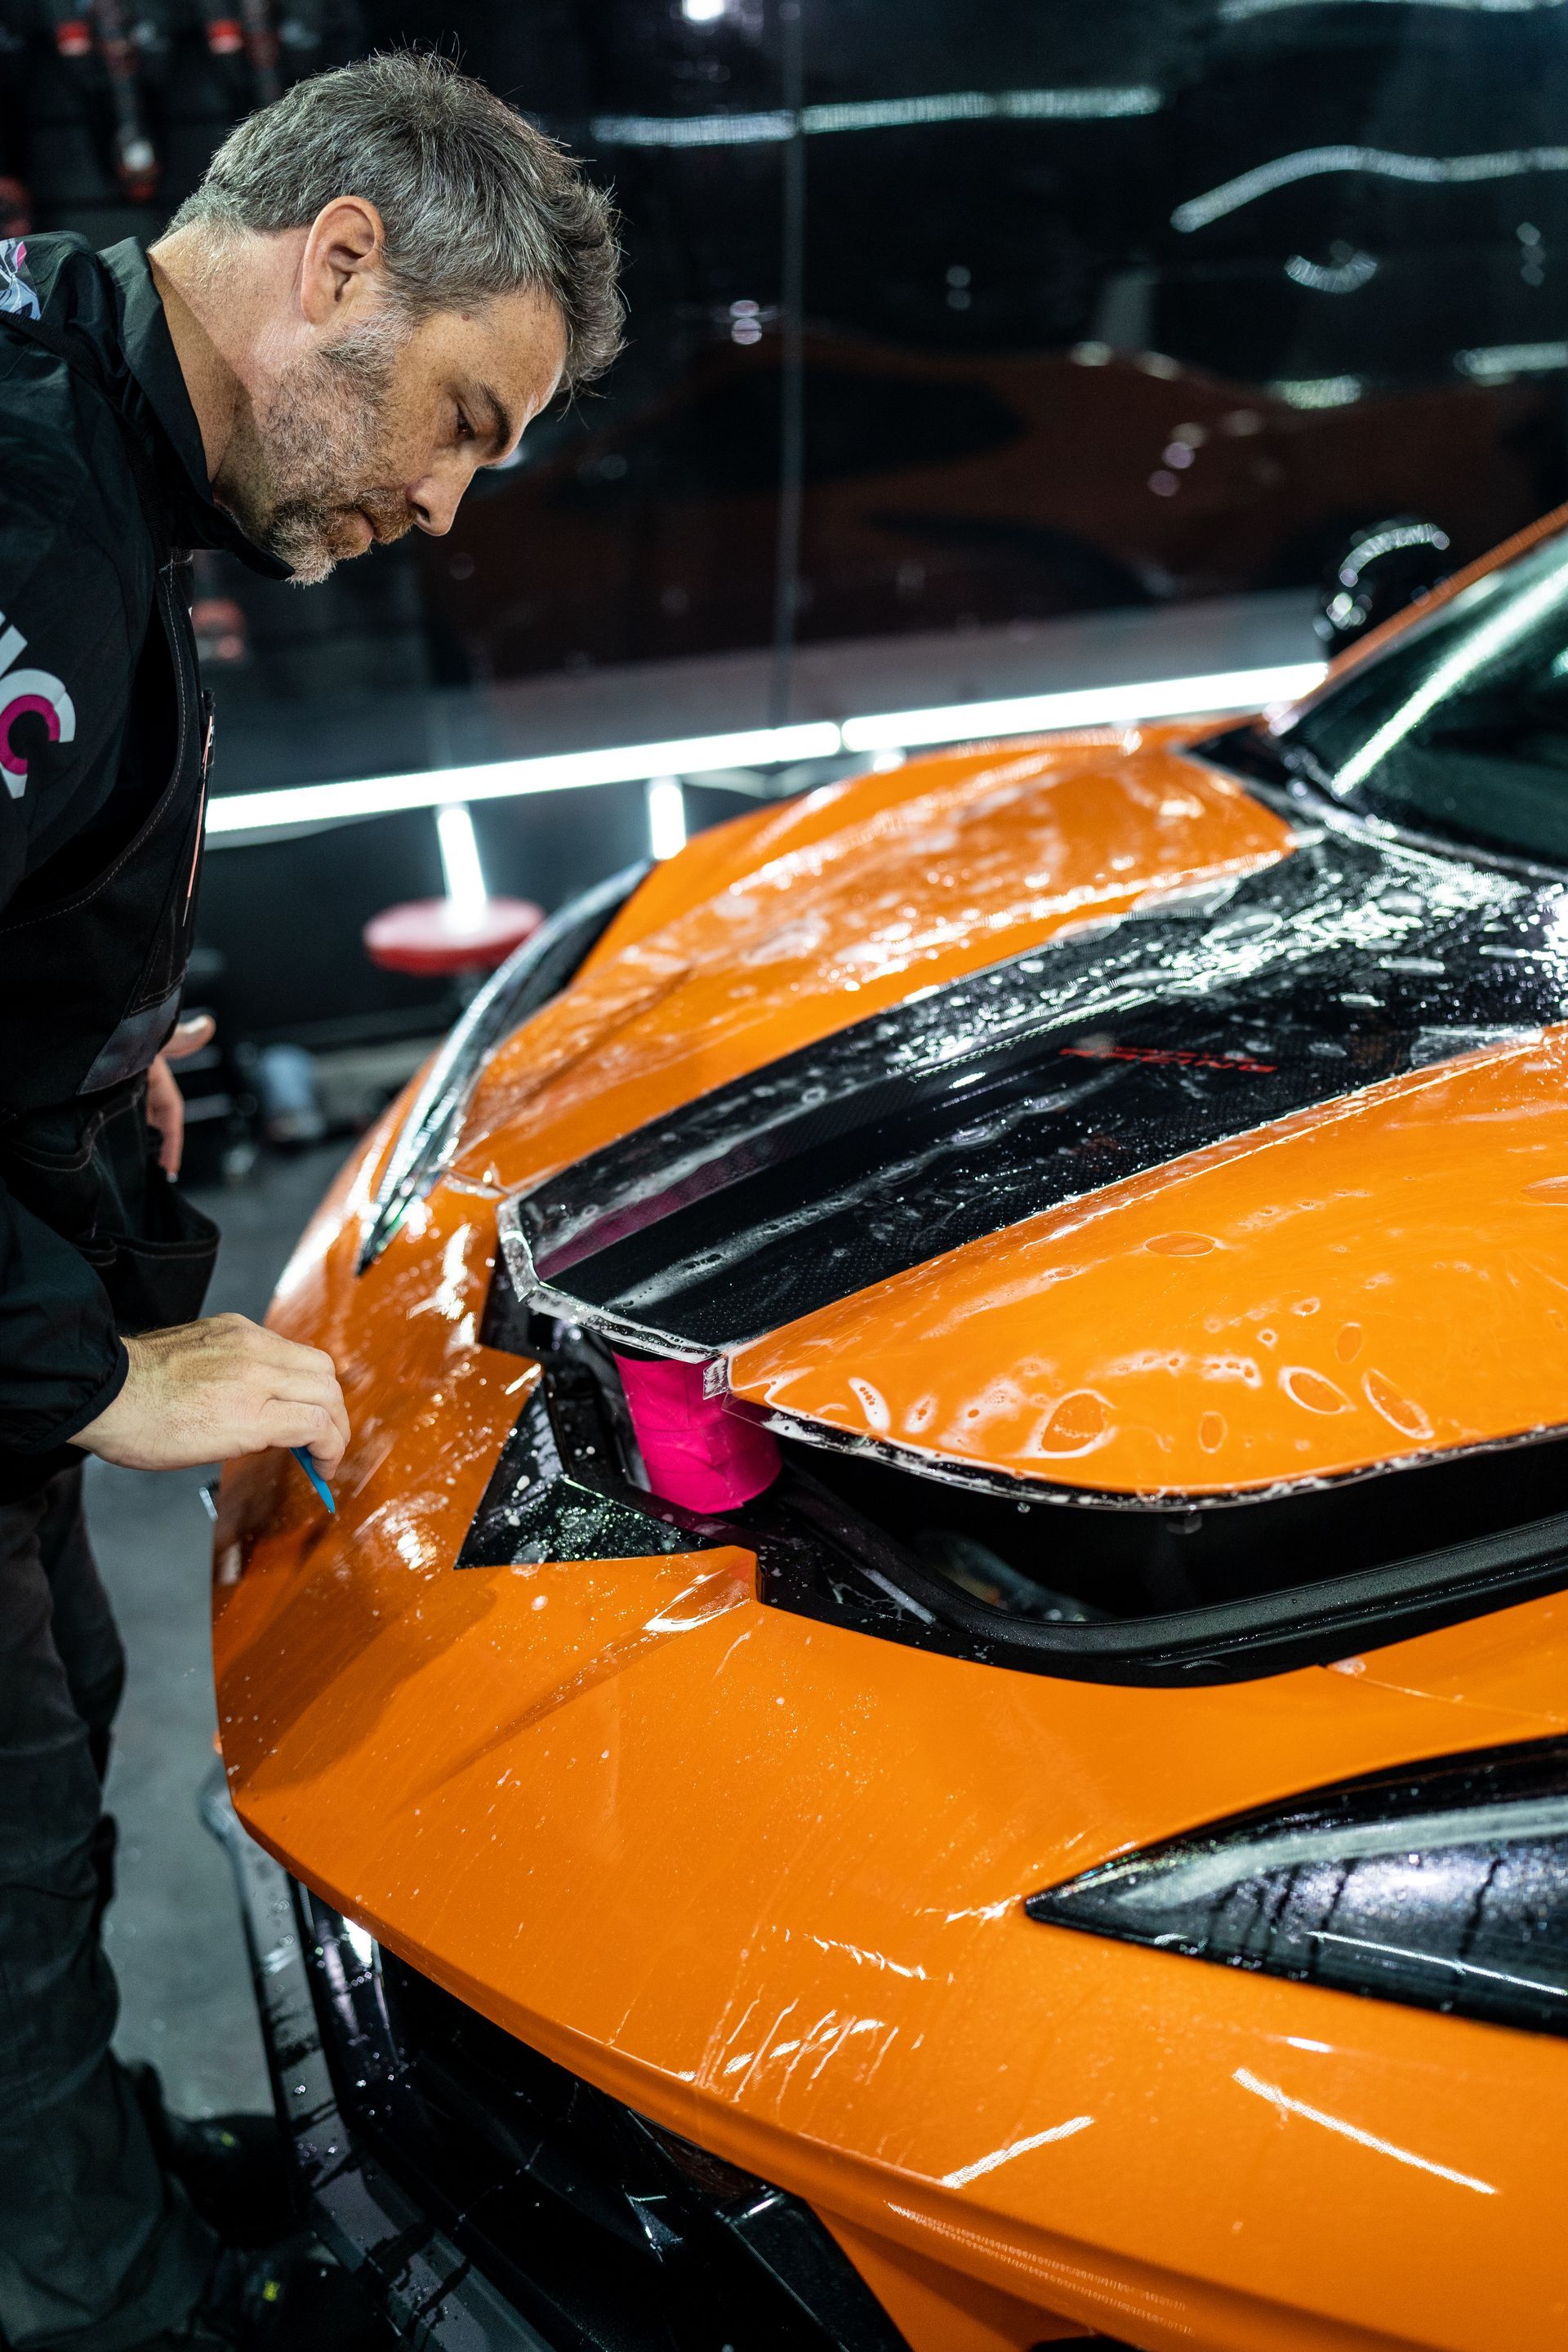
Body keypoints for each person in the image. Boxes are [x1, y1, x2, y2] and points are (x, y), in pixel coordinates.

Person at [0, 51, 621, 2352]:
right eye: (462, 417)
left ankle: (91, 2185)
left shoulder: (81, 431)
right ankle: (110, 2304)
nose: (454, 506)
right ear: (340, 261)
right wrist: (81, 1359)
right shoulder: (31, 511)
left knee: (46, 1816)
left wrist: (70, 1039)